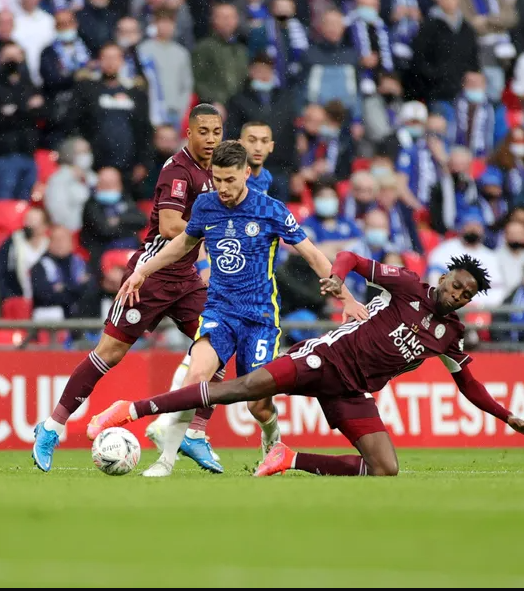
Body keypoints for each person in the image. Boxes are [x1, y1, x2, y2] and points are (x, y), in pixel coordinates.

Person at [89, 251, 524, 477]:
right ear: (444, 276)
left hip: (353, 391)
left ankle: (288, 457)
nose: (458, 294)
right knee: (240, 390)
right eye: (456, 284)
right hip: (323, 359)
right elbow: (348, 258)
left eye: (466, 294)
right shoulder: (407, 286)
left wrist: (507, 417)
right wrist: (338, 281)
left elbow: (468, 384)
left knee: (385, 469)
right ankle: (133, 409)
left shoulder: (451, 335)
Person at [93, 141, 367, 476]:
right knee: (196, 377)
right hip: (219, 312)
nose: (223, 188)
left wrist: (347, 297)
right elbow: (182, 243)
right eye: (218, 179)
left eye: (230, 180)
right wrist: (142, 271)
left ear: (247, 174)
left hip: (260, 319)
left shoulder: (270, 209)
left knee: (258, 405)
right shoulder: (206, 205)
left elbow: (311, 254)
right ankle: (165, 460)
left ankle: (273, 439)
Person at [31, 104, 222, 472]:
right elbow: (169, 227)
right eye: (204, 132)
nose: (211, 139)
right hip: (151, 276)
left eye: (216, 132)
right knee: (109, 353)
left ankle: (194, 433)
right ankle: (52, 427)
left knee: (218, 347)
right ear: (189, 133)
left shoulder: (216, 171)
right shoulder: (178, 170)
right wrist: (212, 233)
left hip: (186, 279)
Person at [144, 120, 277, 457]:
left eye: (263, 141)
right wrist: (203, 264)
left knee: (257, 404)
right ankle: (182, 429)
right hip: (221, 295)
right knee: (203, 358)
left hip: (257, 300)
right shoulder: (215, 181)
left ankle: (269, 433)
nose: (256, 147)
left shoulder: (265, 185)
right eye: (249, 140)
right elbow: (201, 230)